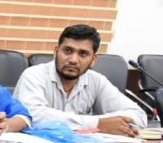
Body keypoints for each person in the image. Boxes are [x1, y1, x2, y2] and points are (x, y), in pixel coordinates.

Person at [13, 25, 146, 136]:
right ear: (56, 51)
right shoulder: (34, 75)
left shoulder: (97, 81)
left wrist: (114, 124)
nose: (73, 60)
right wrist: (97, 124)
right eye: (67, 51)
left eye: (83, 54)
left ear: (93, 59)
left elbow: (139, 115)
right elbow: (31, 116)